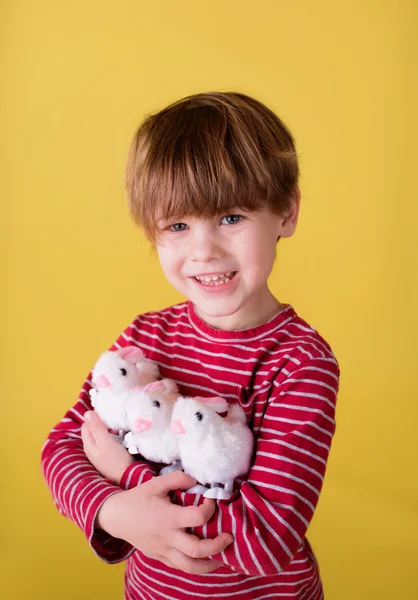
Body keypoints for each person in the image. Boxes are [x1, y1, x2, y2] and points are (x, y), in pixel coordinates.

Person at [41, 91, 340, 600]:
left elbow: (263, 540)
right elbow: (66, 447)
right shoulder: (144, 339)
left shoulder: (299, 364)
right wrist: (114, 512)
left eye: (230, 217)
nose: (204, 250)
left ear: (286, 212)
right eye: (178, 226)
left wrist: (128, 477)